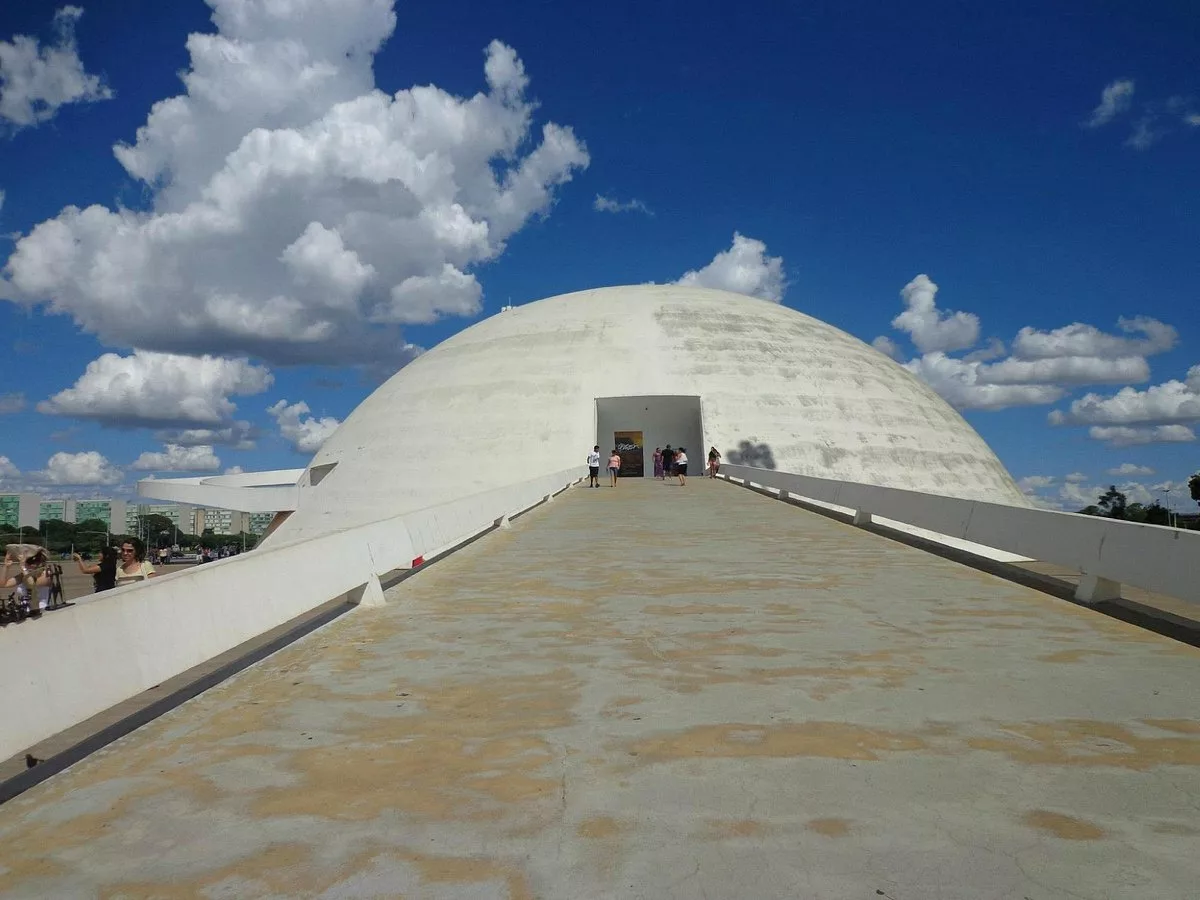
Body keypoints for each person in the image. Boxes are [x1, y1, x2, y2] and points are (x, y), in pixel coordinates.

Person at [2, 547, 51, 618]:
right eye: (29, 561)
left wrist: (23, 567)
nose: (31, 565)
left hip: (40, 612)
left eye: (34, 561)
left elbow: (32, 585)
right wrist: (6, 567)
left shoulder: (46, 574)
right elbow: (4, 584)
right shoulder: (23, 575)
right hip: (25, 613)